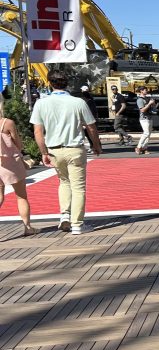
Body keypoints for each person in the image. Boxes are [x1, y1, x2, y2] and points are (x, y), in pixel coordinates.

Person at [30, 69, 102, 234]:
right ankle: (77, 224)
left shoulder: (41, 103)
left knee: (63, 182)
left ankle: (64, 215)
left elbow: (37, 132)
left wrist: (43, 152)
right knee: (78, 187)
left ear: (49, 83)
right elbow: (91, 126)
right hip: (75, 148)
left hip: (54, 149)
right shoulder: (78, 102)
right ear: (67, 83)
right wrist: (96, 144)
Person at [0, 101, 37, 235]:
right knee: (21, 196)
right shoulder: (7, 123)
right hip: (11, 162)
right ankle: (27, 228)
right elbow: (18, 143)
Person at [135, 87, 155, 154]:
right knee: (146, 133)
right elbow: (142, 110)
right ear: (141, 91)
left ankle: (144, 148)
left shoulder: (147, 98)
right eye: (145, 90)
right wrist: (149, 103)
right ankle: (138, 147)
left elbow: (152, 107)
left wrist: (153, 103)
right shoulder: (139, 100)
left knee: (148, 134)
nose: (147, 91)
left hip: (149, 117)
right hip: (144, 118)